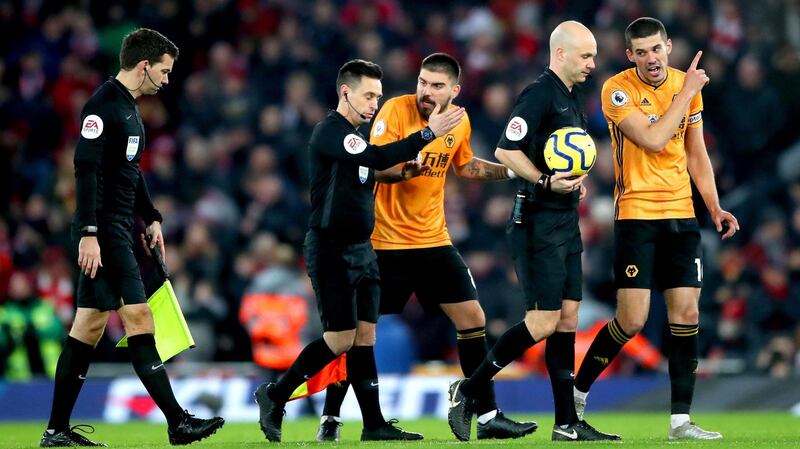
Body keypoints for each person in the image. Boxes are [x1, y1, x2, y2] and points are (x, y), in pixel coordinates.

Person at [315, 53, 538, 442]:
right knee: (355, 334)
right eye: (422, 82)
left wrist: (512, 170)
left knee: (473, 318)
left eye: (436, 85)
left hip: (433, 241)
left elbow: (465, 167)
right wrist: (409, 166)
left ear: (454, 90)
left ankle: (485, 416)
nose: (426, 91)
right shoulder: (394, 111)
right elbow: (373, 166)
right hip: (384, 243)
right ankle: (332, 417)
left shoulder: (460, 121)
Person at [253, 59, 465, 443]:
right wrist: (427, 134)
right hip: (330, 249)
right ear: (345, 92)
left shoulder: (358, 140)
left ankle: (374, 425)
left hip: (362, 248)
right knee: (339, 339)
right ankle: (275, 394)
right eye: (368, 95)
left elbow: (373, 169)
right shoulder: (331, 132)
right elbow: (376, 158)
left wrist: (403, 173)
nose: (374, 104)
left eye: (378, 97)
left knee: (365, 337)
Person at [40, 29, 225, 448]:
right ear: (144, 66)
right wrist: (89, 233)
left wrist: (151, 217)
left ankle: (56, 430)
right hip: (103, 229)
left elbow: (130, 171)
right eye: (164, 70)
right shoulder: (102, 107)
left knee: (88, 326)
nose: (166, 78)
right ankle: (177, 421)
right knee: (139, 317)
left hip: (120, 226)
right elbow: (86, 171)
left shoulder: (130, 109)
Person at [446, 21, 620, 442]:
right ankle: (467, 391)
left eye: (593, 56)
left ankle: (566, 424)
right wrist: (543, 181)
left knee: (569, 319)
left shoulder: (570, 97)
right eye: (585, 56)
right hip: (536, 221)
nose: (592, 64)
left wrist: (571, 181)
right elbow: (507, 149)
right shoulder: (539, 93)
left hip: (564, 218)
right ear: (560, 53)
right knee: (542, 322)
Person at [572, 17, 739, 441]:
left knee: (687, 314)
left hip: (682, 217)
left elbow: (696, 153)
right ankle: (577, 393)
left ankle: (680, 421)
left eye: (656, 49)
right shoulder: (618, 89)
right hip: (636, 216)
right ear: (630, 56)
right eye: (641, 52)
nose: (651, 58)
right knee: (632, 320)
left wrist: (714, 206)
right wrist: (687, 93)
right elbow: (653, 138)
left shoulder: (685, 86)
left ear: (669, 46)